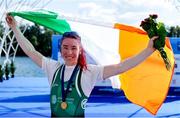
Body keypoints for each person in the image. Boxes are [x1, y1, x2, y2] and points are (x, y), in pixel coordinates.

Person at [6, 15, 158, 117]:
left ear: (80, 51)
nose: (69, 52)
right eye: (65, 47)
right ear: (60, 49)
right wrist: (15, 28)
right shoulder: (53, 68)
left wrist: (148, 50)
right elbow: (30, 51)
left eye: (74, 48)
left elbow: (121, 67)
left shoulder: (89, 71)